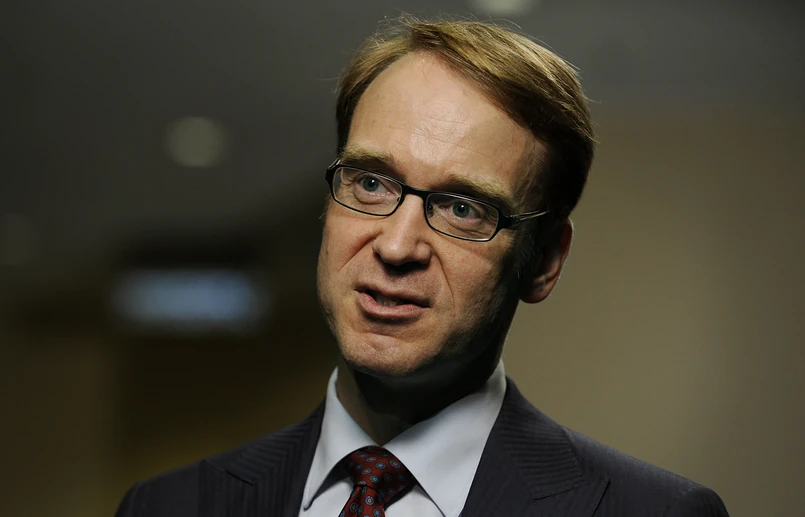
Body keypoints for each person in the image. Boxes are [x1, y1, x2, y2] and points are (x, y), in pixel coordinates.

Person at [116, 17, 729, 517]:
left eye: (463, 207)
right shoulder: (168, 507)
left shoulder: (654, 512)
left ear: (544, 261)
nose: (396, 246)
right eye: (371, 182)